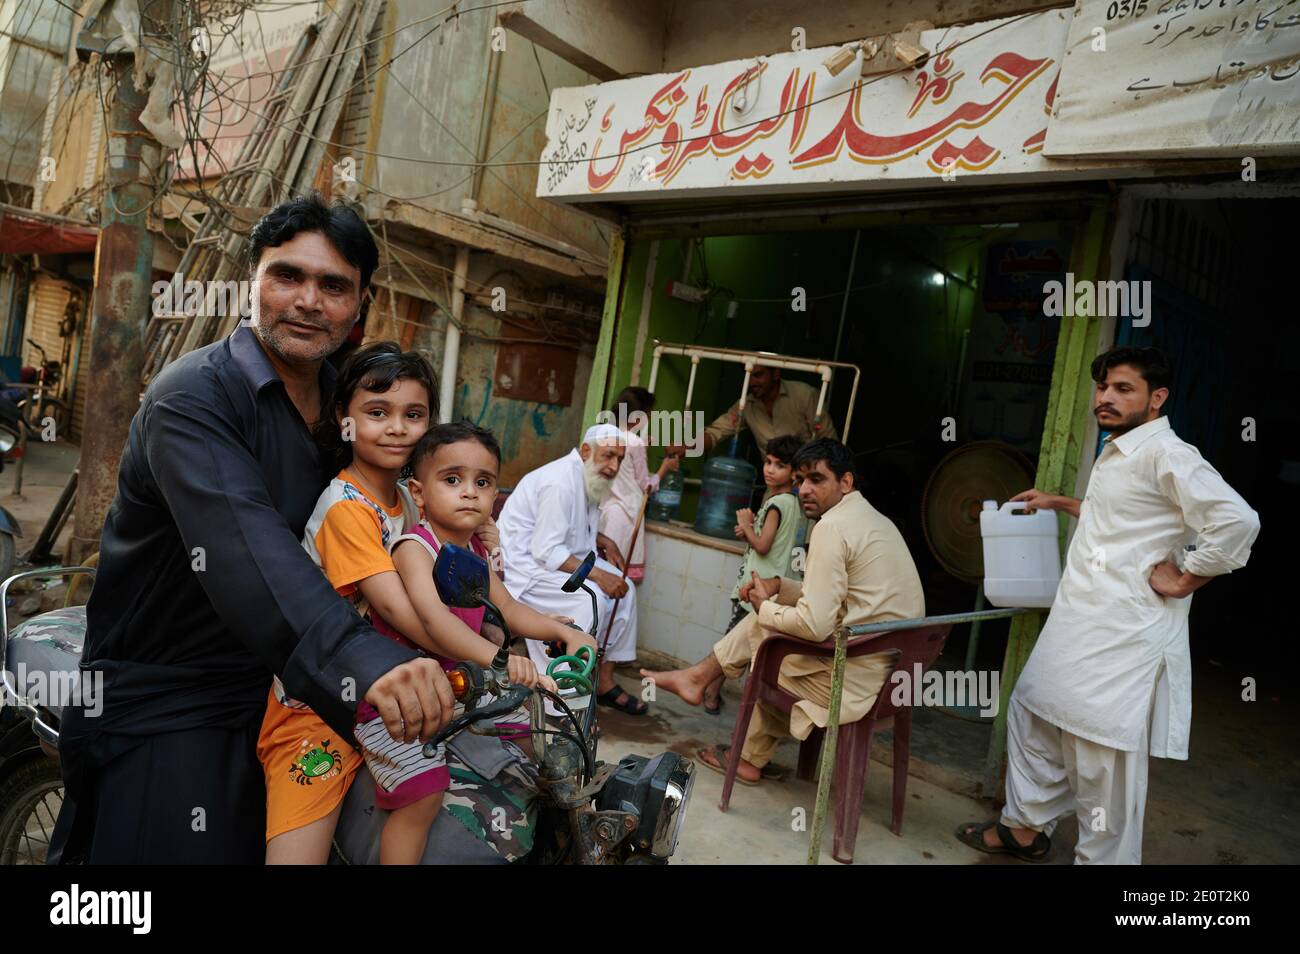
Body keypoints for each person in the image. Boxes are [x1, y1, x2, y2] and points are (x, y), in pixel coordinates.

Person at [49, 194, 454, 865]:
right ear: (251, 283)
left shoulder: (344, 404)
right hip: (177, 691)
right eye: (286, 276)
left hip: (289, 683)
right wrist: (369, 662)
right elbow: (246, 551)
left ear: (361, 305)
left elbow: (398, 510)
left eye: (333, 286)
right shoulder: (192, 397)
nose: (307, 301)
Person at [957, 346, 1259, 865]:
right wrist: (1059, 502)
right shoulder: (1118, 447)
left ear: (1157, 398)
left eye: (1123, 389)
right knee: (1032, 713)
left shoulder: (1169, 454)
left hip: (1125, 633)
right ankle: (1024, 831)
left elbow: (1238, 521)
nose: (1106, 398)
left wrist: (1189, 576)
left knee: (1102, 757)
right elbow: (1120, 516)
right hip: (1080, 619)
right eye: (1103, 388)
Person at [642, 438, 924, 784]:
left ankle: (701, 682)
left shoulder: (831, 528)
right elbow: (837, 599)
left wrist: (764, 607)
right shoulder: (874, 521)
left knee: (769, 640)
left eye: (817, 480)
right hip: (891, 679)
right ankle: (739, 744)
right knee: (773, 638)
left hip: (854, 684)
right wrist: (780, 586)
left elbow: (813, 624)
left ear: (846, 482)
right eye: (802, 480)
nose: (805, 489)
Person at [497, 423, 647, 715]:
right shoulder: (559, 482)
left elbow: (575, 528)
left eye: (619, 458)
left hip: (563, 559)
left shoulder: (588, 475)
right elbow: (547, 550)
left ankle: (603, 680)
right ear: (587, 450)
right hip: (526, 569)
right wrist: (600, 576)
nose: (613, 466)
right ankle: (560, 696)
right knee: (590, 601)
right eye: (608, 456)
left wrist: (605, 541)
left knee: (625, 590)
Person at [700, 434, 807, 716]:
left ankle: (709, 692)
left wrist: (747, 525)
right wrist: (748, 530)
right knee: (752, 648)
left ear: (794, 472)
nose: (770, 469)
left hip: (756, 587)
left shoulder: (777, 503)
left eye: (779, 465)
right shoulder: (800, 505)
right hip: (777, 590)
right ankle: (747, 704)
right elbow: (776, 541)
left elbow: (763, 544)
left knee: (731, 646)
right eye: (768, 462)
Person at [668, 364, 837, 459]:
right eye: (748, 376)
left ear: (776, 374)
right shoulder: (745, 406)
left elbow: (830, 442)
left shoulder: (804, 395)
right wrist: (687, 447)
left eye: (758, 375)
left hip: (808, 482)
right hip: (775, 486)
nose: (752, 382)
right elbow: (716, 432)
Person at [599, 386, 679, 582]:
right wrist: (665, 467)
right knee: (617, 578)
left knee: (601, 573)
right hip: (626, 515)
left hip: (604, 513)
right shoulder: (635, 443)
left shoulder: (604, 434)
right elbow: (647, 486)